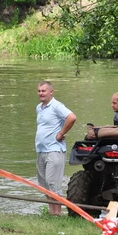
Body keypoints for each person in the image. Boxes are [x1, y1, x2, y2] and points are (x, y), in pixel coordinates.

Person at [35, 81, 76, 216]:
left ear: (51, 92)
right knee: (44, 185)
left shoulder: (56, 106)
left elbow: (71, 117)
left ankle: (57, 215)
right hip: (41, 150)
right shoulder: (39, 108)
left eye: (44, 91)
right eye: (39, 91)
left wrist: (61, 133)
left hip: (54, 150)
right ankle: (51, 213)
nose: (41, 93)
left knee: (53, 184)